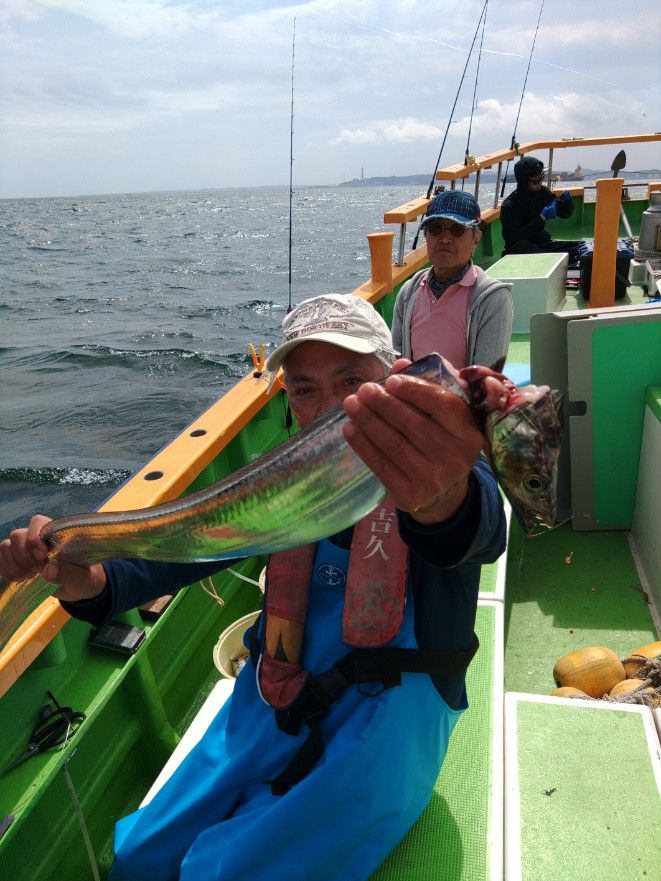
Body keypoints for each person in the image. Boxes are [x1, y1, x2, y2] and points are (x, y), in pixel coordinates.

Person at [0, 293, 507, 881]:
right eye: (305, 389)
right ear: (288, 399)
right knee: (139, 858)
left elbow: (478, 527)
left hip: (384, 731)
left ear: (393, 375)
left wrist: (443, 500)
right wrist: (86, 582)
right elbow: (172, 555)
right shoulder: (284, 479)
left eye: (351, 380)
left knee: (215, 874)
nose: (330, 407)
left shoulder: (440, 463)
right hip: (270, 704)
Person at [392, 190, 513, 371]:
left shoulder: (493, 299)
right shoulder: (408, 293)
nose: (445, 239)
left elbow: (484, 378)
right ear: (426, 236)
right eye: (435, 229)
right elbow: (397, 363)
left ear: (476, 238)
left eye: (457, 229)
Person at [500, 155, 581, 262]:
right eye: (536, 181)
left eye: (541, 179)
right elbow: (513, 238)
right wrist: (542, 218)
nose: (540, 184)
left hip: (541, 244)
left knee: (580, 247)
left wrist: (567, 203)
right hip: (519, 251)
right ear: (523, 181)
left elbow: (564, 214)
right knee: (523, 245)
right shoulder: (509, 206)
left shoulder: (542, 193)